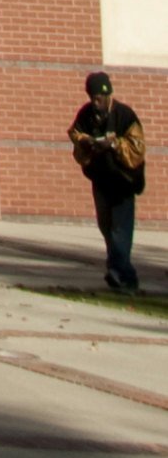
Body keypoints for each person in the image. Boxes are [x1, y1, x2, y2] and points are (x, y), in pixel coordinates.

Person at [68, 70, 146, 294]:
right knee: (106, 226)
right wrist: (87, 142)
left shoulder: (125, 116)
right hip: (101, 180)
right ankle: (121, 271)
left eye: (100, 97)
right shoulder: (86, 115)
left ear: (109, 95)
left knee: (120, 229)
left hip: (123, 181)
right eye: (92, 96)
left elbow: (137, 149)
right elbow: (75, 134)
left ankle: (121, 273)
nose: (96, 101)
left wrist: (113, 145)